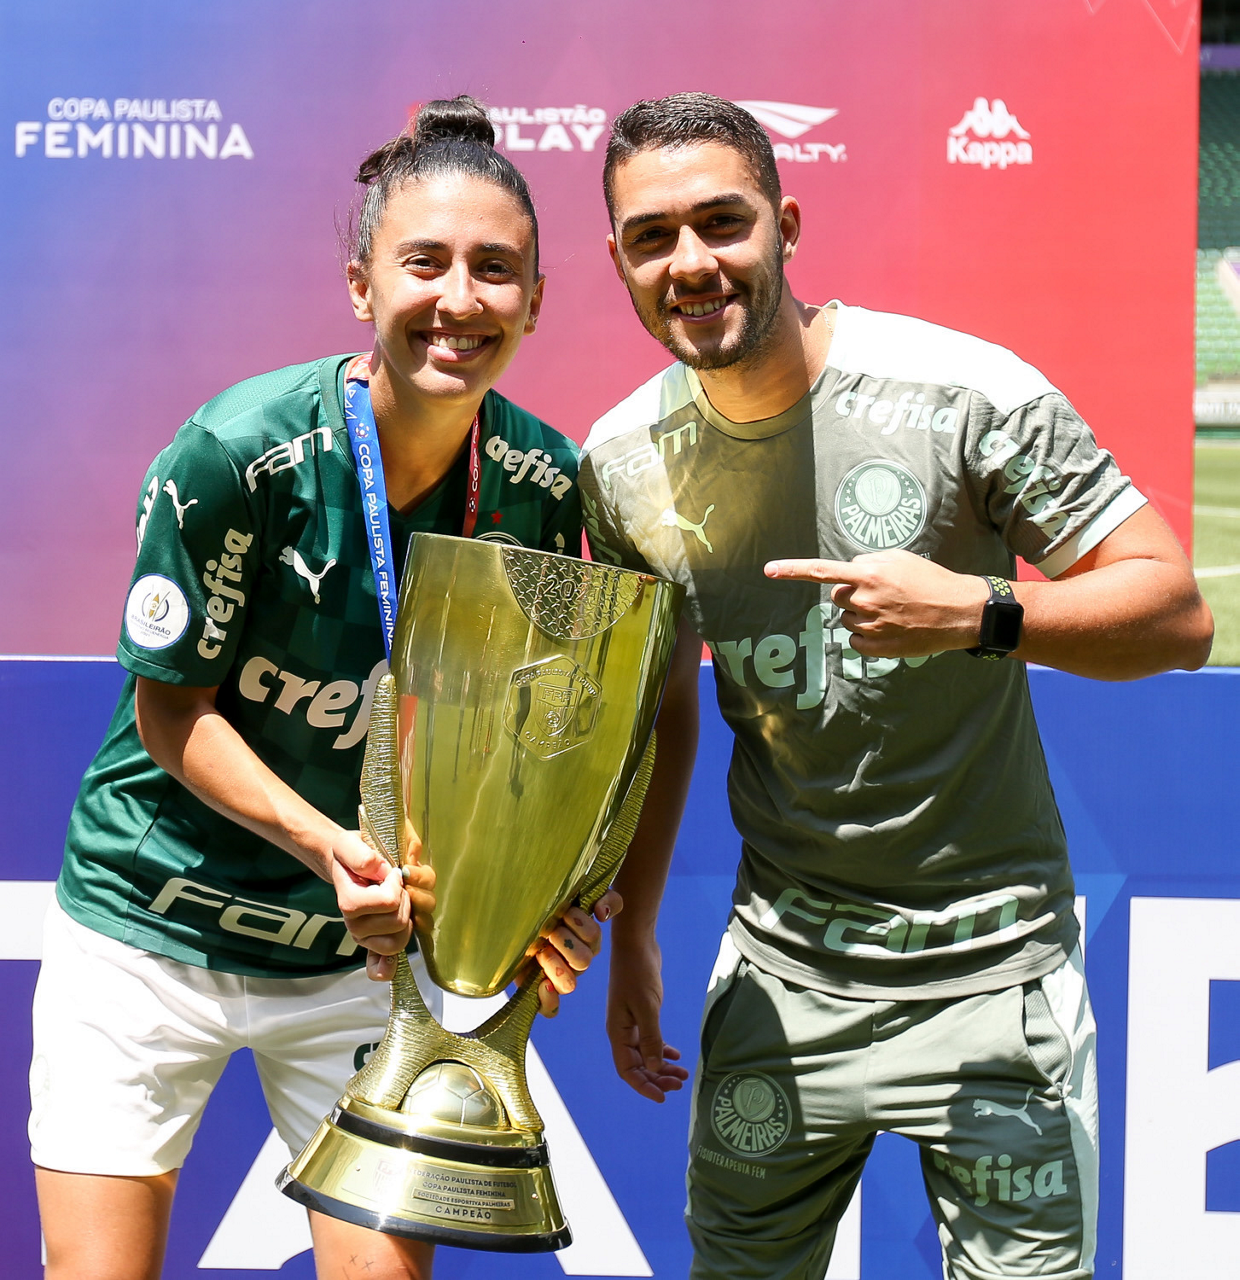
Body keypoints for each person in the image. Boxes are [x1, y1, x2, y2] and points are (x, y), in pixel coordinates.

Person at [579, 92, 1213, 1280]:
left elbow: (1175, 613)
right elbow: (661, 709)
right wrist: (637, 931)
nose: (691, 262)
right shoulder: (618, 462)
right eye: (653, 237)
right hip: (782, 981)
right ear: (617, 261)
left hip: (993, 979)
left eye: (722, 222)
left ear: (786, 225)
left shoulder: (963, 394)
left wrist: (977, 613)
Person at [29, 96, 616, 1280]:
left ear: (537, 298)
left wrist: (547, 900)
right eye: (424, 262)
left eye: (495, 269)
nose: (460, 298)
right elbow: (171, 708)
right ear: (361, 283)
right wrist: (330, 844)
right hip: (150, 925)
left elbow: (537, 747)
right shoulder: (238, 453)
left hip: (362, 963)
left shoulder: (544, 485)